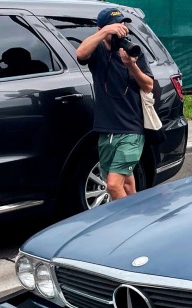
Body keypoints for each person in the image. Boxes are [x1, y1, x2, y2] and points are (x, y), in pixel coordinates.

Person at [75, 7, 153, 201]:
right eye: (116, 25)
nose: (122, 28)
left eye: (123, 24)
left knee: (112, 184)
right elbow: (80, 54)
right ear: (102, 28)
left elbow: (149, 85)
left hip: (131, 130)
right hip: (106, 129)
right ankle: (138, 215)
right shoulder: (97, 51)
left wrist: (132, 66)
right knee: (126, 181)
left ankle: (126, 224)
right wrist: (104, 33)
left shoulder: (132, 51)